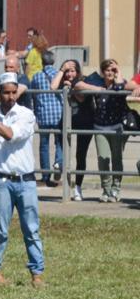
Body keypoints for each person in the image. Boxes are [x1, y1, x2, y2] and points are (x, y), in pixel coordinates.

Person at [0, 72, 45, 287]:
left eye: (14, 92)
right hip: (2, 180)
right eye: (6, 93)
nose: (11, 97)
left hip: (26, 181)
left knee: (31, 228)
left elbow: (11, 135)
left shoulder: (26, 114)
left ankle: (37, 274)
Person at [78, 59, 140, 202]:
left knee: (116, 159)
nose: (110, 72)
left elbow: (121, 87)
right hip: (100, 126)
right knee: (103, 159)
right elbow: (78, 85)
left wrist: (119, 72)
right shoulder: (97, 82)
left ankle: (115, 190)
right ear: (102, 72)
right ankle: (106, 190)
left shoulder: (121, 83)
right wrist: (97, 89)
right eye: (107, 70)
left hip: (117, 127)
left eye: (113, 70)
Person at [51, 59, 94, 201]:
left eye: (72, 70)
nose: (70, 74)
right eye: (67, 71)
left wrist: (73, 89)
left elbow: (82, 99)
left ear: (78, 71)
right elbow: (53, 87)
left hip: (85, 121)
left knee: (80, 155)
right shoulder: (63, 81)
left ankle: (78, 188)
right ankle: (59, 162)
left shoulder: (84, 81)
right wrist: (61, 71)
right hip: (68, 120)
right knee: (59, 135)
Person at [29, 50, 62, 186]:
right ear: (53, 61)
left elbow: (33, 95)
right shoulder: (59, 75)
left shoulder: (36, 76)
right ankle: (58, 163)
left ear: (42, 62)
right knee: (59, 142)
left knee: (44, 145)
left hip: (43, 115)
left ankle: (45, 175)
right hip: (58, 114)